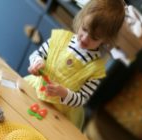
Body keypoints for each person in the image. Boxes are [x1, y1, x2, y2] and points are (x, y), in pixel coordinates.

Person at [25, 0, 125, 129]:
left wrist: (63, 93)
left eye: (94, 38)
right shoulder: (60, 39)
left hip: (59, 112)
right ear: (81, 18)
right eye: (84, 29)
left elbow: (81, 99)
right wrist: (36, 63)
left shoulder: (96, 70)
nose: (84, 38)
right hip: (35, 91)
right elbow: (37, 55)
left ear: (105, 39)